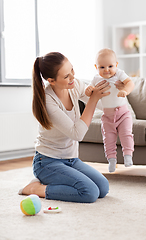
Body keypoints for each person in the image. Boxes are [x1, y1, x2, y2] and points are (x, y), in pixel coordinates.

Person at [18, 52, 111, 203]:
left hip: (71, 159)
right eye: (66, 76)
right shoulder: (49, 102)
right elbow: (77, 134)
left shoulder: (75, 85)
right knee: (89, 192)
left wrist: (111, 89)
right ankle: (35, 188)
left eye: (72, 70)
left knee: (103, 187)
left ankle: (58, 179)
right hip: (47, 162)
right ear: (51, 81)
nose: (73, 77)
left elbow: (102, 105)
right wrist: (93, 99)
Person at [85, 48, 134, 173]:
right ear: (96, 67)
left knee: (126, 134)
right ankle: (111, 160)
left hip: (123, 113)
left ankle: (128, 156)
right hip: (107, 115)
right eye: (102, 67)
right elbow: (89, 91)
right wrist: (88, 90)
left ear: (116, 65)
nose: (106, 70)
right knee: (108, 138)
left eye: (110, 66)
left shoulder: (119, 74)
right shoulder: (96, 79)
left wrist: (125, 91)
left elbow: (130, 83)